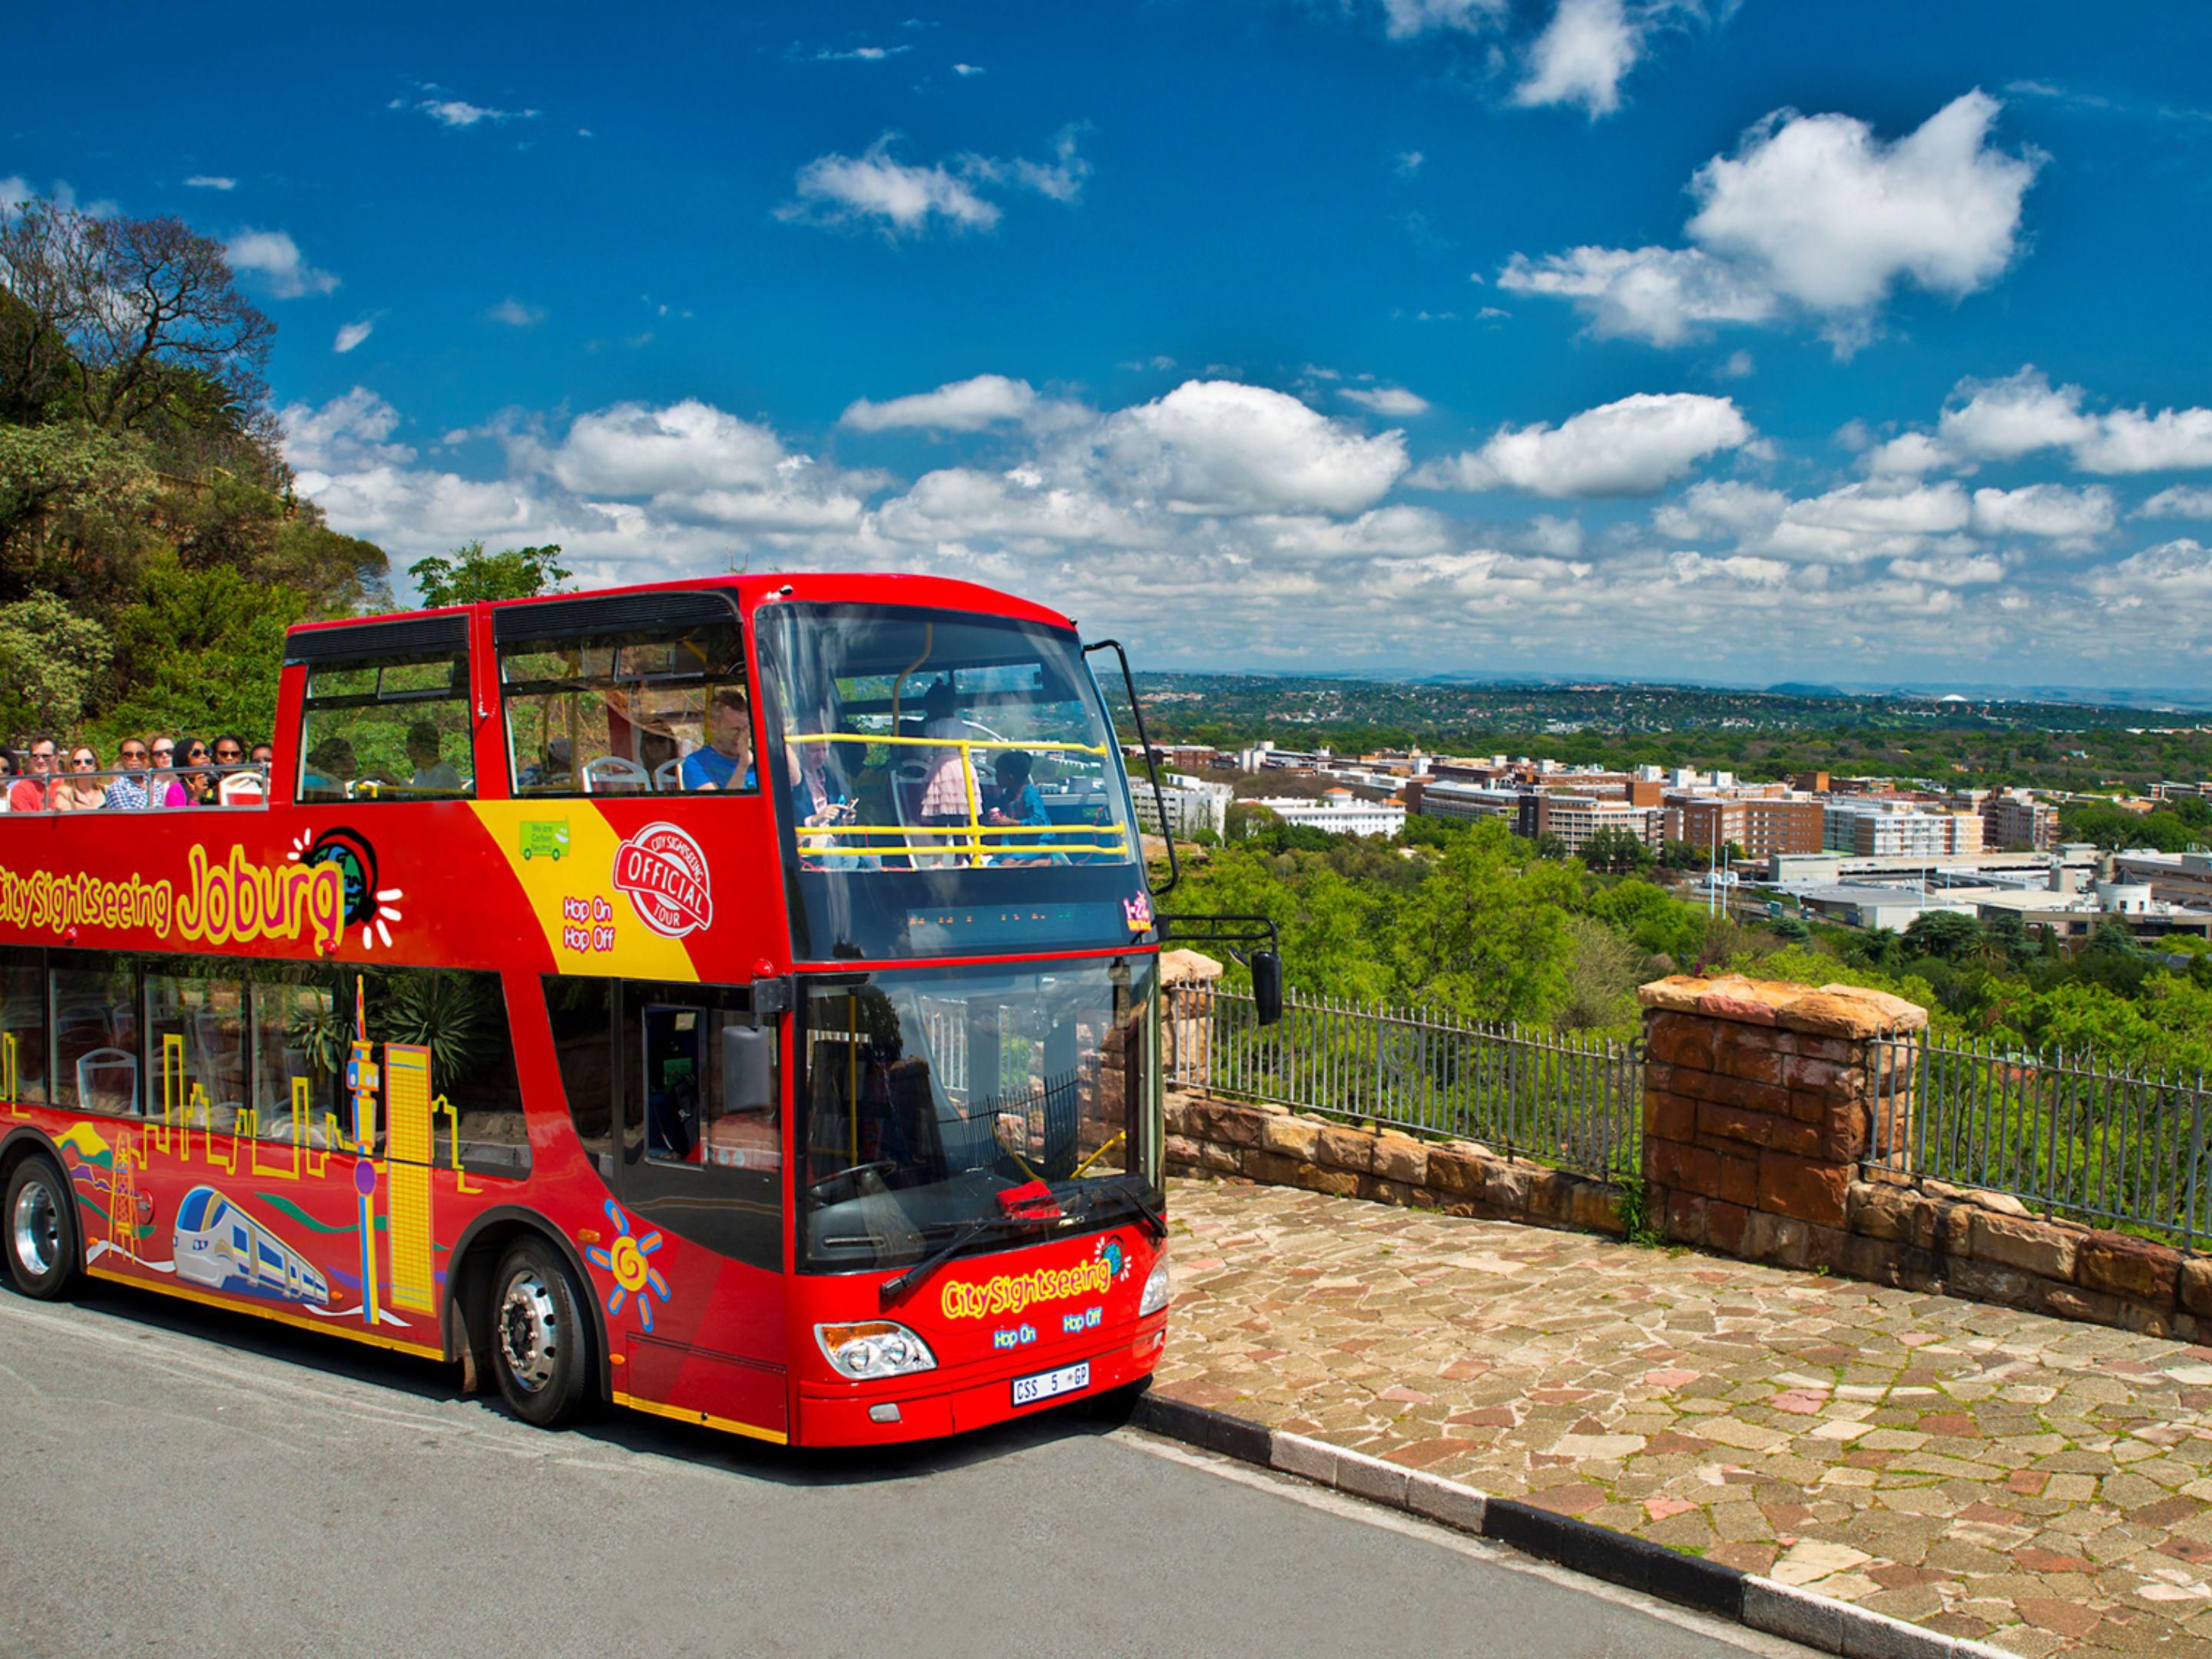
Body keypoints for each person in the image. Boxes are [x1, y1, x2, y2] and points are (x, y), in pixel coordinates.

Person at [984, 750, 1057, 864]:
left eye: (998, 774)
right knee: (992, 864)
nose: (996, 777)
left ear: (1010, 777)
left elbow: (1039, 823)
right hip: (1015, 844)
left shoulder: (1030, 794)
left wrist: (1011, 822)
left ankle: (1047, 862)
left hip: (1035, 844)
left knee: (1008, 864)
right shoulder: (1008, 795)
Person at [680, 689, 757, 791]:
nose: (742, 736)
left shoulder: (759, 759)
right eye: (735, 730)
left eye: (745, 729)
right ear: (713, 727)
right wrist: (743, 766)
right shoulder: (696, 763)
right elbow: (718, 802)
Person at [406, 721, 462, 792]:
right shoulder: (420, 773)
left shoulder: (445, 775)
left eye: (412, 749)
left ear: (419, 748)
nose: (408, 751)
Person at [104, 737, 157, 810]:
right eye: (128, 755)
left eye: (140, 755)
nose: (135, 759)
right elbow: (127, 816)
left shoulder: (154, 783)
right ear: (121, 759)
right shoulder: (117, 788)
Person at [53, 744, 109, 812]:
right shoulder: (66, 791)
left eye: (88, 762)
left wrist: (76, 806)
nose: (83, 765)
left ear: (95, 766)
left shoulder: (106, 790)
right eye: (77, 762)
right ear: (72, 767)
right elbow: (61, 807)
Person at [9, 736, 58, 813]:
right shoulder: (20, 789)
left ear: (56, 757)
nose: (40, 760)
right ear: (30, 759)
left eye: (46, 756)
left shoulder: (67, 783)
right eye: (35, 756)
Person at [301, 736, 357, 800]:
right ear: (337, 761)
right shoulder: (325, 786)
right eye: (351, 758)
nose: (355, 762)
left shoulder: (302, 779)